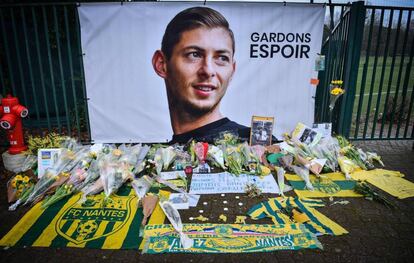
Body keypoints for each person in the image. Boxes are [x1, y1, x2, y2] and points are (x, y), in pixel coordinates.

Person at [152, 6, 250, 144]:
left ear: (232, 71)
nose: (208, 71)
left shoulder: (257, 149)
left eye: (222, 58)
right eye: (194, 54)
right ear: (161, 64)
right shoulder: (148, 159)